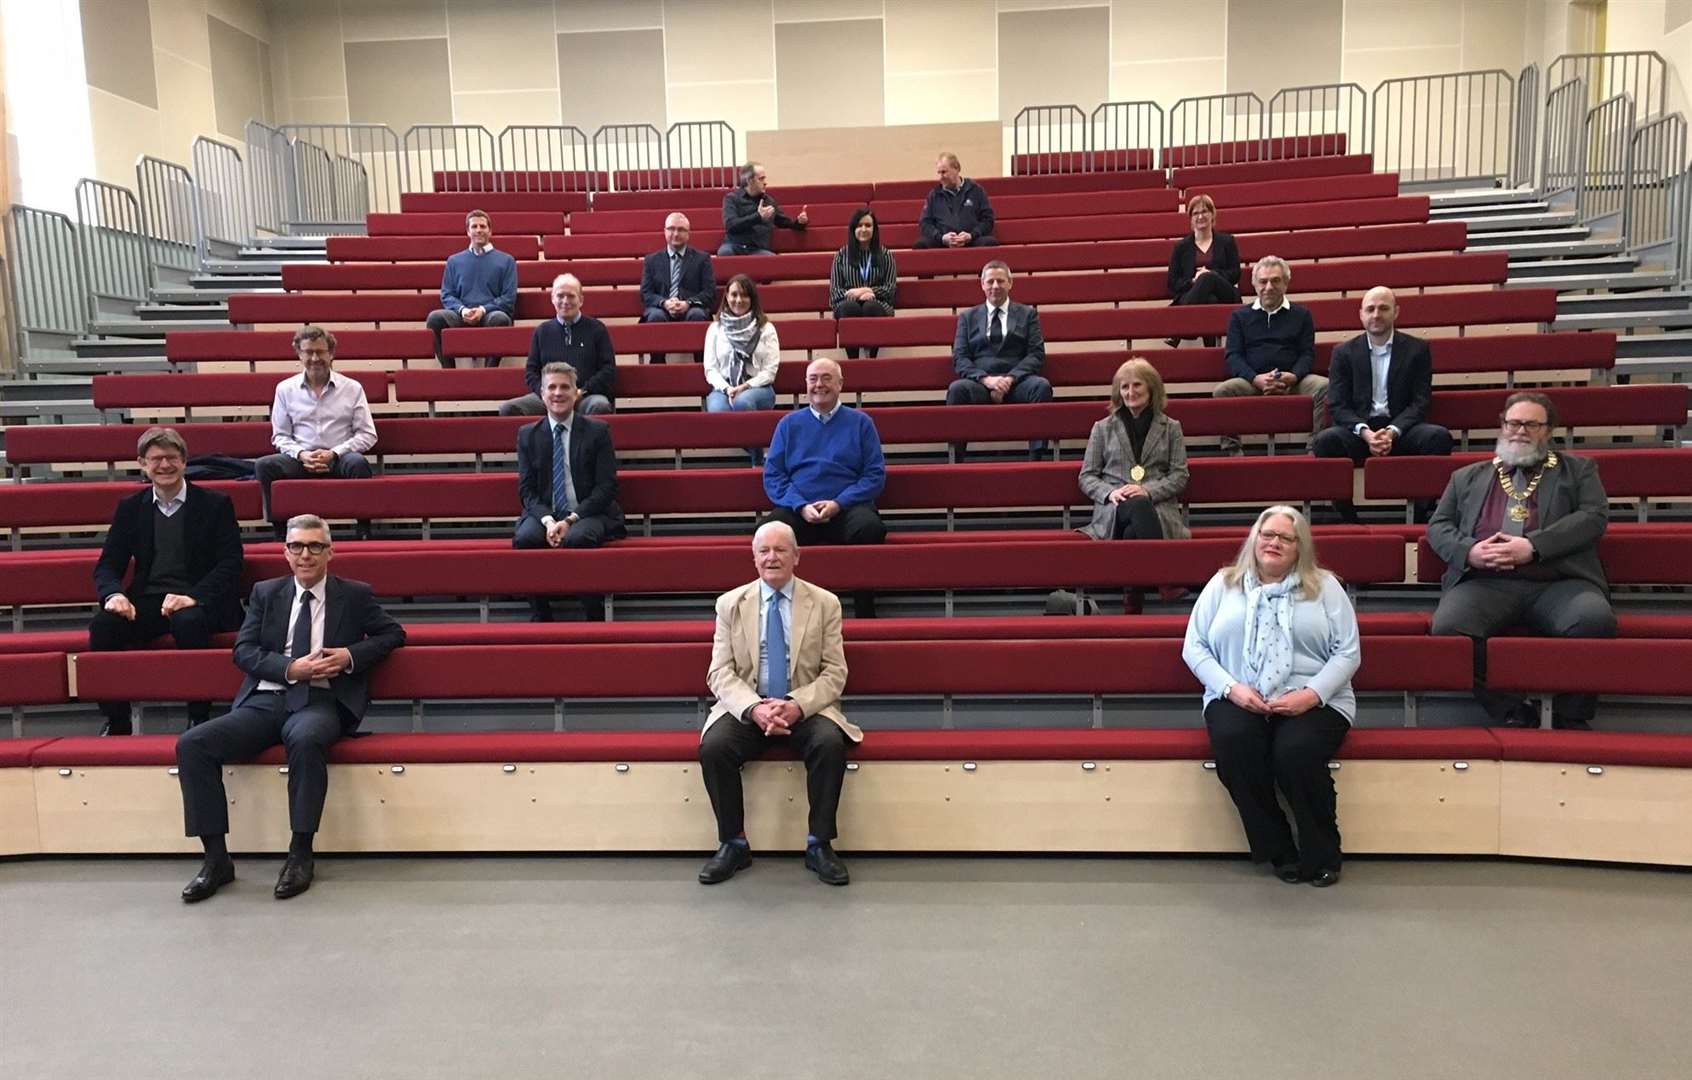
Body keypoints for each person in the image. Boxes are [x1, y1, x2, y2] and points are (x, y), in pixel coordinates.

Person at [174, 514, 406, 903]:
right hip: (268, 698)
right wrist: (288, 668)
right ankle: (216, 860)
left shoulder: (354, 594)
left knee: (306, 739)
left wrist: (350, 655)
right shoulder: (266, 593)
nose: (306, 555)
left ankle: (300, 853)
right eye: (297, 546)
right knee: (192, 744)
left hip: (321, 700)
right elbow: (243, 651)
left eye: (315, 546)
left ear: (331, 552)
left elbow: (393, 633)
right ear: (285, 552)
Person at [1182, 505, 1361, 887]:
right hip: (1238, 692)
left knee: (1295, 752)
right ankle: (1277, 847)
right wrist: (1232, 689)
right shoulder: (1223, 583)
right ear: (1254, 539)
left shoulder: (1325, 586)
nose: (1274, 543)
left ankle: (1322, 853)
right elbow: (1194, 647)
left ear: (1300, 547)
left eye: (1286, 538)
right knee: (1235, 742)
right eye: (1267, 535)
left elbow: (1347, 652)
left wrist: (1311, 695)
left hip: (1315, 697)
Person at [1427, 392, 1615, 730]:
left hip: (1559, 581)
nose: (1520, 431)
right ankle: (1511, 709)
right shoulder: (1467, 476)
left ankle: (1569, 714)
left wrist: (1533, 546)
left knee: (1593, 621)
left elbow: (1593, 517)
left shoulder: (1579, 470)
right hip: (1485, 582)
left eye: (1532, 424)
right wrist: (1470, 551)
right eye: (1513, 423)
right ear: (1502, 425)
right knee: (1449, 629)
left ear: (1549, 429)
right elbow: (1438, 526)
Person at [697, 520, 857, 887]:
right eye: (764, 551)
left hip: (804, 704)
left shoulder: (825, 603)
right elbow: (719, 673)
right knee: (715, 747)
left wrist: (796, 705)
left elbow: (835, 673)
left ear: (796, 557)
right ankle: (733, 843)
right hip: (749, 705)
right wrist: (755, 708)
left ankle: (820, 844)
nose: (772, 558)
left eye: (781, 550)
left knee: (829, 744)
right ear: (753, 559)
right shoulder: (730, 604)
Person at [89, 427, 244, 735]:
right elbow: (108, 564)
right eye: (156, 459)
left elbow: (231, 562)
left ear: (184, 461)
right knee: (103, 627)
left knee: (189, 622)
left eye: (172, 458)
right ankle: (117, 720)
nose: (164, 466)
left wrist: (195, 597)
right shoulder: (130, 508)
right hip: (149, 599)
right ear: (142, 464)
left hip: (199, 600)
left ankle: (199, 714)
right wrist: (113, 596)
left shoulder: (215, 504)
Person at [1313, 286, 1455, 523]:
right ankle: (1350, 519)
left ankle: (1420, 513)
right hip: (1360, 432)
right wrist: (1367, 434)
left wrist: (1392, 432)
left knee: (1438, 437)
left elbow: (1421, 401)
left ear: (1396, 312)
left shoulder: (1417, 349)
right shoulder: (1343, 352)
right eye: (1370, 309)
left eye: (1383, 308)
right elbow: (1337, 405)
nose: (1376, 314)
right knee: (1325, 441)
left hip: (1402, 430)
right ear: (1361, 314)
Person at [763, 358, 886, 619]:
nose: (819, 384)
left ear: (841, 384)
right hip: (801, 509)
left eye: (827, 378)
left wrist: (839, 503)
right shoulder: (788, 424)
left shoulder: (861, 423)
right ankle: (779, 613)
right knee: (772, 532)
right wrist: (801, 505)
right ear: (805, 385)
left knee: (869, 528)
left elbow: (874, 475)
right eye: (813, 379)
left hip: (847, 509)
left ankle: (865, 611)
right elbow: (773, 475)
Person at [514, 362, 627, 623]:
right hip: (546, 513)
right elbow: (527, 490)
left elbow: (606, 487)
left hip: (589, 512)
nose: (558, 393)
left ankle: (593, 613)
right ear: (541, 394)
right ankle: (541, 614)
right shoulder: (527, 435)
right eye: (551, 387)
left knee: (579, 537)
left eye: (565, 387)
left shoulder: (598, 431)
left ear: (576, 392)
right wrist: (549, 520)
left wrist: (569, 520)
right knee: (526, 538)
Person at [254, 325, 376, 539]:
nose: (314, 358)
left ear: (331, 354)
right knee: (265, 465)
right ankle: (280, 532)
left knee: (359, 464)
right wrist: (302, 455)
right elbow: (280, 436)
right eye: (308, 352)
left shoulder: (352, 388)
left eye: (320, 352)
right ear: (299, 354)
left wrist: (334, 453)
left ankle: (364, 529)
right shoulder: (285, 389)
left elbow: (367, 434)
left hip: (339, 458)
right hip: (301, 459)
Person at [1215, 256, 1327, 456]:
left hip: (1293, 380)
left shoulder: (1302, 315)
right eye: (1263, 281)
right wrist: (1256, 378)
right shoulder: (1240, 316)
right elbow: (1233, 356)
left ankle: (1315, 449)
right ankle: (1232, 452)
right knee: (1223, 391)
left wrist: (1292, 376)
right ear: (1254, 285)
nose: (1269, 287)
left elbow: (1307, 354)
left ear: (1286, 283)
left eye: (1275, 280)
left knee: (1325, 387)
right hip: (1253, 381)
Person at [947, 260, 1054, 456]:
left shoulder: (1028, 314)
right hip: (980, 384)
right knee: (957, 390)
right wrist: (986, 380)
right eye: (990, 282)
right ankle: (956, 458)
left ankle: (1038, 460)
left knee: (1041, 387)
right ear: (982, 284)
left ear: (1010, 283)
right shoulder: (968, 317)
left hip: (1018, 383)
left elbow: (1036, 354)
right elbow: (960, 357)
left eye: (1000, 281)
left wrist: (1010, 379)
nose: (995, 286)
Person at [1078, 358, 1190, 543]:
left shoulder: (1171, 427)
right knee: (1137, 507)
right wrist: (1110, 493)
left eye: (1137, 385)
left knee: (1132, 533)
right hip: (1115, 507)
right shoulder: (1102, 428)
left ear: (1151, 388)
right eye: (1124, 387)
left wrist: (1147, 491)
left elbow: (1180, 475)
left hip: (1157, 506)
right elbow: (1087, 476)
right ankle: (1163, 567)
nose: (1130, 392)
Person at [498, 274, 616, 418]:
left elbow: (608, 370)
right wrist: (547, 393)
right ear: (553, 299)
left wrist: (582, 391)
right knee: (509, 409)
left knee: (600, 405)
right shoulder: (542, 331)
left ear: (581, 300)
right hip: (549, 398)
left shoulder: (597, 329)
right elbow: (531, 372)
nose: (565, 301)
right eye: (560, 296)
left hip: (584, 397)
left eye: (571, 296)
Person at [425, 209, 517, 369]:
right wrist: (462, 310)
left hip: (490, 315)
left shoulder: (507, 261)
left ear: (490, 230)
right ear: (468, 231)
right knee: (435, 318)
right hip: (461, 315)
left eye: (483, 226)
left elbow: (508, 297)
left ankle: (490, 372)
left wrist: (482, 310)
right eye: (474, 226)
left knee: (500, 319)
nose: (479, 230)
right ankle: (449, 371)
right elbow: (447, 294)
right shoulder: (454, 261)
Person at [1164, 194, 1240, 348]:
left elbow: (1235, 273)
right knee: (1209, 299)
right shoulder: (1181, 247)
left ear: (1212, 214)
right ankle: (1210, 350)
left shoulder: (1227, 241)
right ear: (1191, 219)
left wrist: (1211, 274)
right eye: (1195, 213)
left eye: (1205, 211)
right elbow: (1172, 283)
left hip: (1225, 293)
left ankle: (1179, 329)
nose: (1200, 216)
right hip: (1194, 295)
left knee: (1208, 278)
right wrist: (1193, 281)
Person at [639, 212, 714, 363]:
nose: (675, 233)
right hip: (661, 308)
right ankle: (657, 364)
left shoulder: (702, 259)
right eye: (671, 229)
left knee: (697, 315)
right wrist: (664, 303)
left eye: (681, 230)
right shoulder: (651, 260)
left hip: (691, 308)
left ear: (688, 234)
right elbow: (646, 293)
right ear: (664, 231)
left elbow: (709, 292)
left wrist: (688, 303)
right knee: (655, 317)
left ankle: (701, 365)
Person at [704, 274, 779, 413]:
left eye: (744, 295)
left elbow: (770, 371)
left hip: (758, 388)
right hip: (724, 388)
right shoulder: (715, 329)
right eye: (734, 294)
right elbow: (711, 370)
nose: (738, 300)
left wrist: (744, 387)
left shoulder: (766, 329)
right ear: (727, 297)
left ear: (752, 299)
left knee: (742, 403)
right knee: (718, 410)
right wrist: (728, 389)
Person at [830, 208, 897, 359]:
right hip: (848, 303)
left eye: (868, 225)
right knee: (850, 307)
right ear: (853, 229)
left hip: (877, 304)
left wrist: (870, 291)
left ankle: (872, 357)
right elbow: (834, 293)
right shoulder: (841, 255)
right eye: (859, 225)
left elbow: (890, 289)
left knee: (871, 306)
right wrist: (859, 294)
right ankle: (853, 360)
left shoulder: (885, 254)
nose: (863, 229)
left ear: (875, 229)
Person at [719, 162, 808, 256]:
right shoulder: (732, 198)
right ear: (749, 180)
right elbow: (730, 225)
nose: (765, 182)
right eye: (761, 179)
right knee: (724, 253)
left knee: (773, 261)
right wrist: (758, 217)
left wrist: (800, 222)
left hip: (757, 249)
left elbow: (784, 222)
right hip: (734, 245)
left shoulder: (769, 201)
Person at [916, 153, 997, 248]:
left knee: (989, 242)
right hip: (942, 242)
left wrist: (972, 235)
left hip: (972, 240)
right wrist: (941, 237)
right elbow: (925, 223)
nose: (941, 177)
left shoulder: (976, 190)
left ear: (957, 168)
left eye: (944, 172)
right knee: (921, 245)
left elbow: (988, 219)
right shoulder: (934, 195)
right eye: (939, 173)